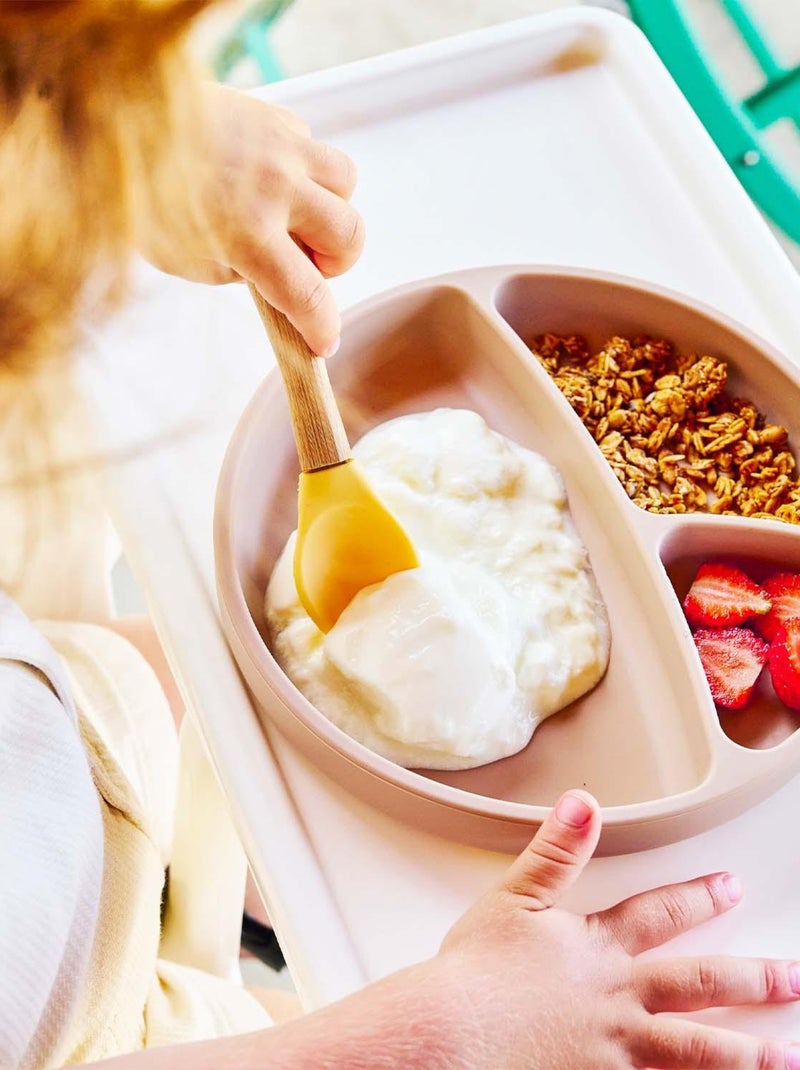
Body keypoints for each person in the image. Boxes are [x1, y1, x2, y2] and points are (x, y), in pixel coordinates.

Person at [1, 2, 799, 1068]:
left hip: (50, 694)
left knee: (176, 702)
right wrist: (434, 1031)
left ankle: (224, 898)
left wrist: (94, 136)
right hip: (96, 1024)